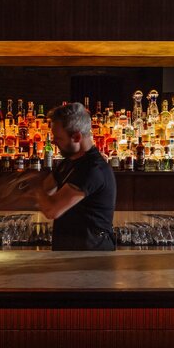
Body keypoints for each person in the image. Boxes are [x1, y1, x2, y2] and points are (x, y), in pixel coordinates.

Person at [31, 102, 116, 251]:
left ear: (76, 137)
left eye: (58, 138)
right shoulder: (68, 162)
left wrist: (33, 187)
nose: (54, 142)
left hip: (92, 255)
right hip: (70, 252)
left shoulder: (93, 169)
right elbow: (46, 189)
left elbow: (51, 210)